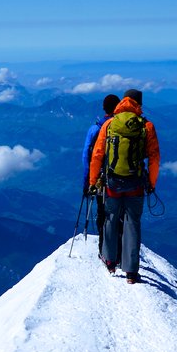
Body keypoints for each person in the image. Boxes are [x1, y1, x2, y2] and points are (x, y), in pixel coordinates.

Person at [87, 88, 160, 284]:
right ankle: (131, 272)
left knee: (111, 219)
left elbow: (97, 155)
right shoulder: (147, 126)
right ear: (139, 104)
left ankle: (110, 261)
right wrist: (151, 184)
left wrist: (93, 182)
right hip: (135, 183)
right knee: (132, 223)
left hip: (112, 183)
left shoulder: (110, 124)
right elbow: (154, 158)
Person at [81, 94, 120, 254]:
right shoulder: (123, 128)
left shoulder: (95, 129)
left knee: (103, 211)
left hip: (100, 180)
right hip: (123, 179)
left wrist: (87, 182)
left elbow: (86, 157)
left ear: (104, 108)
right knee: (120, 213)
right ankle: (121, 250)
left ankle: (104, 249)